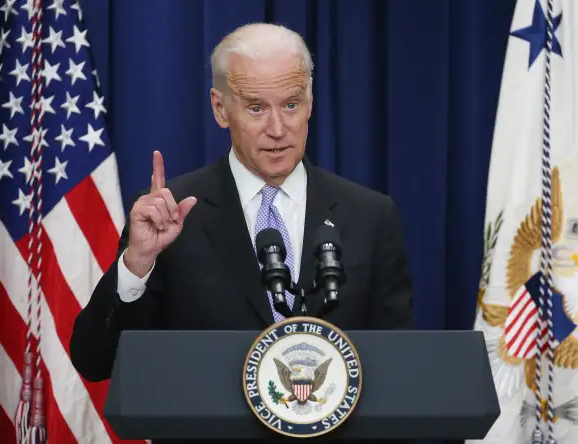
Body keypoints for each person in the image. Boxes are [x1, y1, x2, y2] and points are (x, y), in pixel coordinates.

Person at [70, 22, 414, 438]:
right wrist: (137, 263)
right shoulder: (172, 215)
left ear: (309, 102)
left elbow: (399, 378)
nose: (277, 129)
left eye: (290, 105)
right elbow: (93, 361)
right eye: (256, 108)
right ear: (220, 109)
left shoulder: (370, 216)